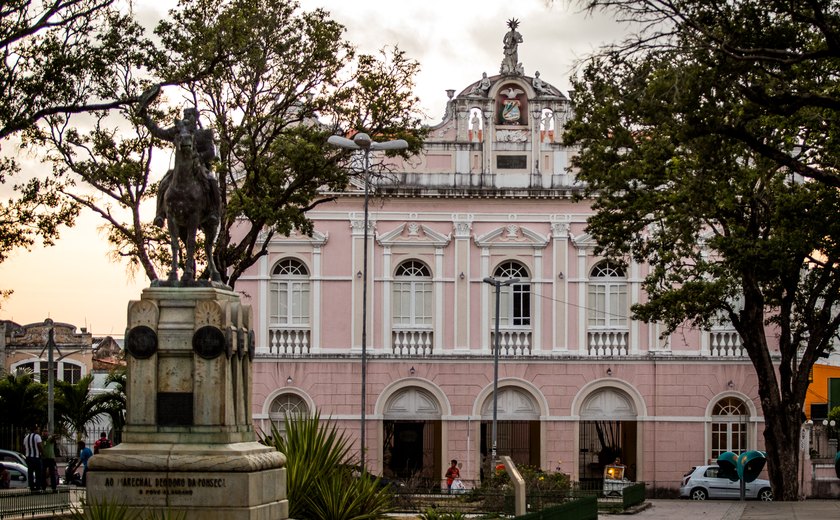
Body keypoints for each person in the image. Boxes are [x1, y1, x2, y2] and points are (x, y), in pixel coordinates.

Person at [139, 84, 220, 229]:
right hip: (180, 168)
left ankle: (214, 212)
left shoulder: (204, 134)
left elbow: (211, 153)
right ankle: (160, 214)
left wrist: (199, 158)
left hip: (198, 167)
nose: (186, 118)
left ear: (195, 118)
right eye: (185, 115)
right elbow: (158, 132)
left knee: (211, 181)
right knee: (164, 182)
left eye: (189, 115)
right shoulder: (178, 132)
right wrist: (145, 118)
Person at [23, 424, 43, 491]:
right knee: (38, 472)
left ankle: (31, 487)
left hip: (28, 457)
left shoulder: (26, 437)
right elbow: (39, 445)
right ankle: (37, 487)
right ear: (35, 430)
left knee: (30, 472)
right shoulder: (37, 436)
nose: (38, 430)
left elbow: (24, 447)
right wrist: (42, 453)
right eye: (38, 429)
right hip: (36, 457)